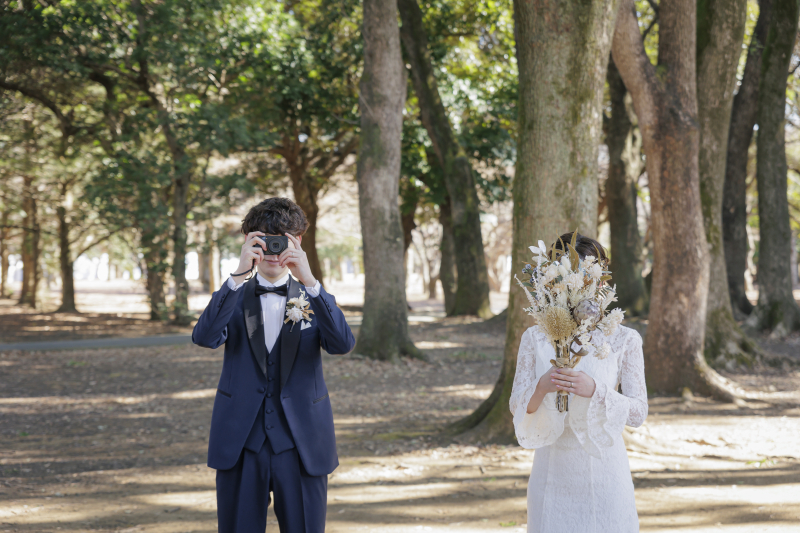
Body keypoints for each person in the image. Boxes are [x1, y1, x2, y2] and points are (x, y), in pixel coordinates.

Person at [193, 197, 355, 533]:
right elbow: (205, 337)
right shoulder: (233, 296)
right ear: (249, 241)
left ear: (298, 241)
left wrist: (310, 282)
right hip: (240, 442)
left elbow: (342, 344)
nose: (272, 250)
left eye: (281, 240)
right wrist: (238, 275)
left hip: (302, 444)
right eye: (264, 240)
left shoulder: (312, 297)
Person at [509, 233, 648, 533]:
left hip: (607, 474)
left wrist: (596, 391)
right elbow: (516, 405)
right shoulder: (535, 337)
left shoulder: (625, 339)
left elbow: (638, 413)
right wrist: (542, 386)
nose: (581, 285)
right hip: (551, 473)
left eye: (590, 276)